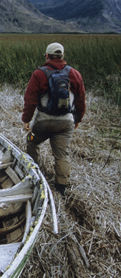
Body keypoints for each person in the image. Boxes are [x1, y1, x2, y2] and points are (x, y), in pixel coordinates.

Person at [22, 42, 86, 195]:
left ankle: (34, 174)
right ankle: (61, 186)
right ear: (62, 56)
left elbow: (30, 99)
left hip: (43, 121)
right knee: (62, 155)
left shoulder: (39, 74)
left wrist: (26, 120)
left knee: (31, 141)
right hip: (66, 122)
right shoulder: (75, 74)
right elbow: (81, 100)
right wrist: (78, 119)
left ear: (47, 56)